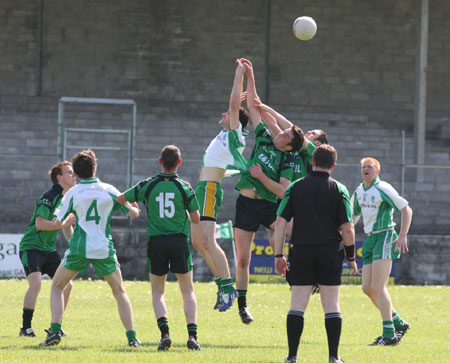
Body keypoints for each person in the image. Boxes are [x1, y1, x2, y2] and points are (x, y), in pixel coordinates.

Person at [39, 149, 141, 348]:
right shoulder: (109, 190)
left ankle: (55, 330)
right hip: (103, 248)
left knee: (57, 286)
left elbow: (58, 220)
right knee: (119, 292)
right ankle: (132, 338)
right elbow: (135, 214)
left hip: (79, 249)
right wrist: (135, 205)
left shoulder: (72, 193)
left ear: (76, 173)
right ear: (95, 167)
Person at [233, 58, 304, 324]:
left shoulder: (287, 160)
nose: (279, 134)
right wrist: (249, 75)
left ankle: (294, 270)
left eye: (284, 136)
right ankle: (242, 305)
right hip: (245, 203)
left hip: (267, 205)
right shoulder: (263, 135)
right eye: (281, 132)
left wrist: (261, 177)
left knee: (295, 227)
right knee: (242, 259)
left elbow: (284, 190)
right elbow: (253, 105)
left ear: (288, 148)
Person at [273, 144, 357, 363]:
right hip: (330, 253)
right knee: (331, 304)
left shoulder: (295, 187)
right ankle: (333, 357)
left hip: (301, 251)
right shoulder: (339, 189)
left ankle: (292, 356)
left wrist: (278, 255)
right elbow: (348, 228)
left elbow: (280, 222)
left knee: (297, 304)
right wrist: (350, 257)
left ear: (312, 162)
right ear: (333, 166)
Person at [118, 145, 202, 351]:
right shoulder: (185, 186)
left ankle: (165, 334)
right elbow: (196, 218)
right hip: (179, 241)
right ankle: (192, 337)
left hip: (156, 243)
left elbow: (121, 198)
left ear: (160, 162)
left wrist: (134, 206)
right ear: (179, 163)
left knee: (158, 292)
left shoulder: (148, 184)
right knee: (188, 290)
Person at [191, 58, 249, 312]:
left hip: (210, 189)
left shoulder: (235, 133)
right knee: (197, 241)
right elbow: (236, 106)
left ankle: (228, 287)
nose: (224, 114)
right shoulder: (225, 134)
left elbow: (234, 104)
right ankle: (221, 283)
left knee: (208, 240)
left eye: (228, 114)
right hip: (202, 188)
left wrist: (239, 74)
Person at [350, 157, 412, 346]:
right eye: (363, 167)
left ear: (378, 171)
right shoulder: (360, 190)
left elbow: (406, 209)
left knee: (378, 286)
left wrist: (402, 235)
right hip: (370, 239)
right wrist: (343, 236)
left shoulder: (383, 188)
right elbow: (353, 216)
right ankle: (398, 323)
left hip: (385, 236)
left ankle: (389, 335)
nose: (366, 169)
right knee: (367, 288)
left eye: (370, 167)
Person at [19, 161, 76, 338]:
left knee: (67, 286)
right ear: (59, 178)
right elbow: (40, 224)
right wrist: (63, 224)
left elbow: (66, 227)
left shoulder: (68, 199)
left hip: (49, 251)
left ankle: (56, 327)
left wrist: (75, 245)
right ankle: (25, 328)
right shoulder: (49, 196)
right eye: (69, 172)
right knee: (36, 285)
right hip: (32, 247)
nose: (74, 175)